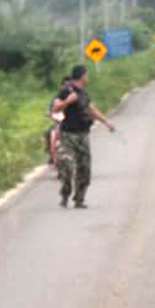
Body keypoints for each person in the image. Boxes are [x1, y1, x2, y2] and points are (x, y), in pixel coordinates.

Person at [52, 64, 115, 208]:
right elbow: (55, 108)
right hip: (67, 135)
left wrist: (106, 122)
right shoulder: (65, 91)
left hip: (83, 135)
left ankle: (79, 200)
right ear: (81, 76)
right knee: (67, 167)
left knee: (84, 169)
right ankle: (65, 194)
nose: (88, 78)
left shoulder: (84, 94)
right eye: (86, 75)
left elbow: (92, 109)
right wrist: (68, 101)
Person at [45, 77, 72, 166]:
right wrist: (50, 114)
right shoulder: (57, 98)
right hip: (59, 123)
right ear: (62, 86)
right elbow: (50, 110)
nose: (67, 87)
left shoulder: (75, 96)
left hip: (72, 123)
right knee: (48, 132)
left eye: (69, 85)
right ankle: (51, 154)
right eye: (65, 85)